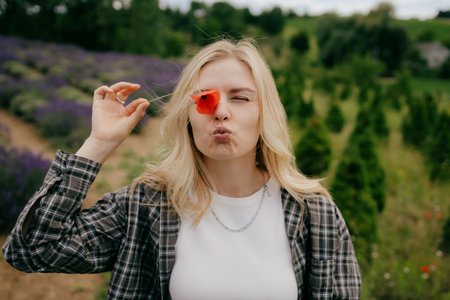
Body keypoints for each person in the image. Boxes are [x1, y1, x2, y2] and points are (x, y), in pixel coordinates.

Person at [2, 39, 361, 299]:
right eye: (205, 99)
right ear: (188, 117)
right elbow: (31, 250)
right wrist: (99, 143)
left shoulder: (314, 213)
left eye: (240, 97)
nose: (222, 111)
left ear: (265, 112)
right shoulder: (148, 205)